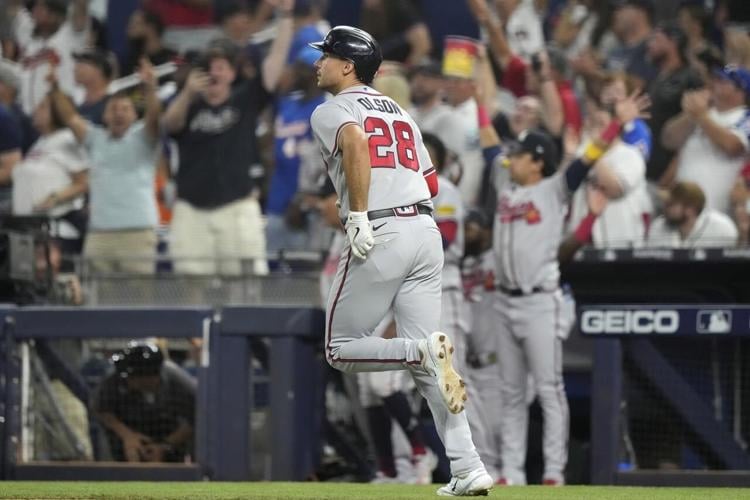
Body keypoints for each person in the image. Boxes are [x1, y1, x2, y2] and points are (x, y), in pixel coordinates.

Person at [308, 26, 494, 496]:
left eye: (326, 55)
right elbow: (430, 184)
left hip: (383, 229)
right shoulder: (402, 113)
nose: (318, 63)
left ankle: (418, 349)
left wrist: (358, 215)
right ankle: (468, 467)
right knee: (429, 368)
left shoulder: (333, 108)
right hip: (425, 232)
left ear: (347, 65)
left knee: (340, 348)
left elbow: (354, 143)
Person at [487, 94, 649, 485]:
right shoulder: (506, 189)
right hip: (504, 300)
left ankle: (554, 473)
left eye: (521, 155)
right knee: (510, 392)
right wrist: (479, 99)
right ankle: (511, 472)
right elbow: (490, 146)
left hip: (541, 301)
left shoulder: (554, 189)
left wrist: (616, 123)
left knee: (548, 388)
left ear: (538, 161)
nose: (514, 159)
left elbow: (586, 159)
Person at [163, 3, 296, 276]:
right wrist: (188, 93)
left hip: (236, 206)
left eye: (221, 67)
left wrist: (284, 17)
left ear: (232, 74)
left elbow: (273, 66)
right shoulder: (188, 106)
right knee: (191, 284)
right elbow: (169, 124)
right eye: (208, 68)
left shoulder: (244, 100)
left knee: (246, 282)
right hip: (192, 209)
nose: (214, 73)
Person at [49, 59, 161, 274]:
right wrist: (54, 88)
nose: (119, 113)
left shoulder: (144, 139)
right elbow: (70, 117)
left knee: (138, 300)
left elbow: (155, 118)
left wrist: (151, 90)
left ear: (135, 115)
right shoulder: (95, 139)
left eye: (125, 109)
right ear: (104, 115)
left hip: (136, 234)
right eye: (114, 108)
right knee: (97, 301)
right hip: (99, 234)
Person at [663, 65, 750, 215]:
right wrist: (690, 115)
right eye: (715, 79)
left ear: (740, 91)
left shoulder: (745, 117)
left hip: (717, 209)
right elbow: (668, 140)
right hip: (681, 205)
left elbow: (732, 146)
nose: (714, 85)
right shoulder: (701, 114)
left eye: (723, 81)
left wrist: (701, 117)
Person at [93, 341, 196, 462]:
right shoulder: (115, 378)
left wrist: (165, 445)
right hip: (128, 426)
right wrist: (128, 436)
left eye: (132, 377)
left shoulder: (179, 383)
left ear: (150, 377)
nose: (127, 380)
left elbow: (194, 421)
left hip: (169, 431)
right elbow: (103, 410)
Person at [647, 181, 739, 248]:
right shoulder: (658, 226)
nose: (666, 209)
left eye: (671, 205)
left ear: (690, 209)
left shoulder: (722, 228)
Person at [73, 48, 116, 125]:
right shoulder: (78, 110)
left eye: (82, 63)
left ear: (99, 69)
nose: (75, 68)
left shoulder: (114, 107)